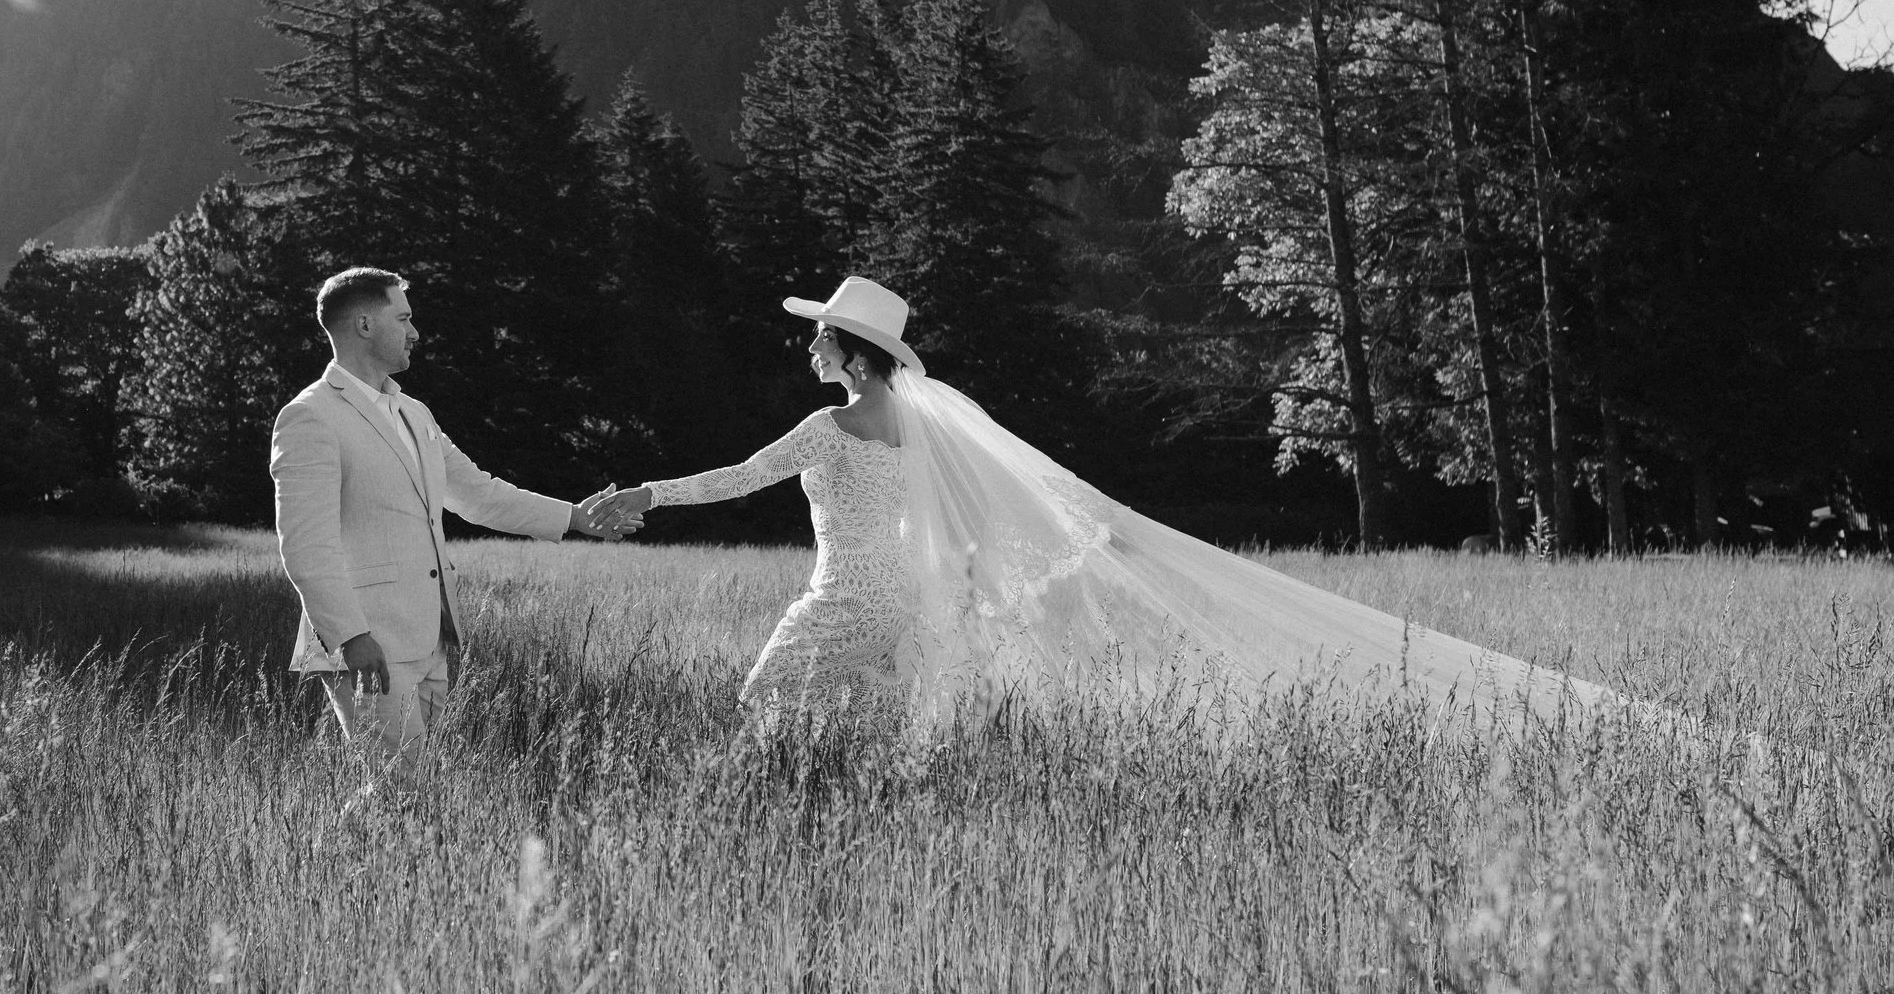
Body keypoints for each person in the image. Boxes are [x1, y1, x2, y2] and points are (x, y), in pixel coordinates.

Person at [596, 276, 1611, 731]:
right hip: (901, 608)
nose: (808, 342)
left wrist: (643, 493)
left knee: (761, 708)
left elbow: (735, 478)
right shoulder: (923, 429)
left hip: (836, 604)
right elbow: (982, 511)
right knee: (858, 735)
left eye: (820, 333)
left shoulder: (825, 429)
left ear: (851, 355)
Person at [271, 266, 638, 759]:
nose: (415, 333)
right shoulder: (309, 416)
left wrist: (574, 516)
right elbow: (304, 545)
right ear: (364, 325)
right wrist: (351, 636)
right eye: (403, 319)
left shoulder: (414, 413)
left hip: (432, 640)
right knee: (400, 786)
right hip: (367, 645)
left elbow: (479, 494)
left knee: (416, 788)